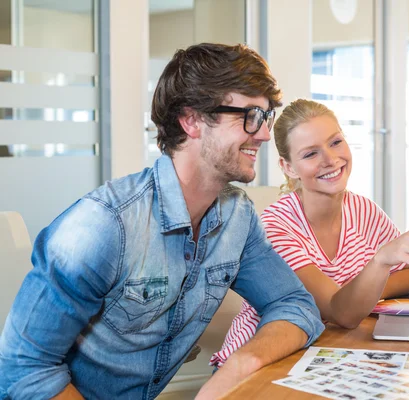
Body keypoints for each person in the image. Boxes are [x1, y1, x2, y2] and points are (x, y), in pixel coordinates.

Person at [0, 44, 324, 400]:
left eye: (266, 117)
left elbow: (294, 304)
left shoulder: (236, 217)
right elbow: (23, 368)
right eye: (250, 116)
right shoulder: (104, 225)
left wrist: (238, 365)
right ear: (192, 120)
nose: (264, 134)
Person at [211, 99, 409, 367]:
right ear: (288, 167)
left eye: (335, 142)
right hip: (258, 364)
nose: (331, 160)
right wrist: (376, 266)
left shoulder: (363, 209)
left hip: (325, 355)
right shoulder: (275, 227)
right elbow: (341, 312)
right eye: (310, 154)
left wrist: (359, 292)